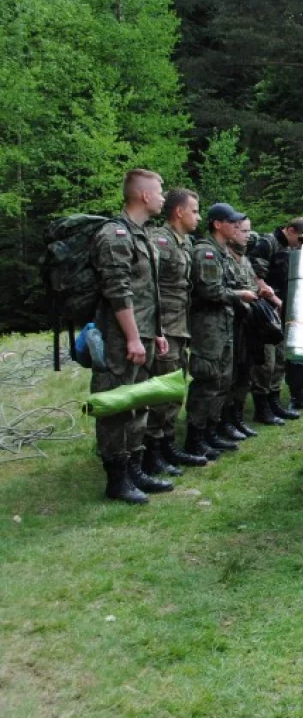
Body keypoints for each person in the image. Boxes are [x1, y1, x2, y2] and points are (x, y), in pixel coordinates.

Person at [90, 169, 170, 504]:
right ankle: (117, 478)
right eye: (160, 191)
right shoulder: (115, 235)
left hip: (145, 334)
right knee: (116, 405)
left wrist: (158, 332)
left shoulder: (143, 234)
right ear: (144, 196)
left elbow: (149, 291)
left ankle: (135, 467)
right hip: (121, 339)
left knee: (138, 401)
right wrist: (134, 338)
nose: (164, 197)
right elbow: (117, 291)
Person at [184, 203, 259, 460]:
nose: (238, 227)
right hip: (208, 327)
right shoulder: (206, 252)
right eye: (233, 222)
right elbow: (210, 290)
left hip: (224, 324)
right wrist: (240, 294)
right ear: (218, 224)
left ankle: (211, 432)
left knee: (223, 380)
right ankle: (195, 437)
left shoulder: (223, 252)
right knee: (208, 379)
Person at [144, 188, 208, 476]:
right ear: (179, 212)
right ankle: (152, 451)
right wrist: (155, 329)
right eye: (194, 211)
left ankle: (167, 445)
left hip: (179, 326)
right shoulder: (160, 241)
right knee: (162, 392)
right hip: (164, 326)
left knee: (174, 389)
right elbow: (148, 289)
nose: (198, 216)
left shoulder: (183, 243)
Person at [223, 217, 280, 442]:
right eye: (242, 231)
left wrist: (263, 292)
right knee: (232, 375)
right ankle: (225, 421)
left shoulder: (244, 259)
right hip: (232, 324)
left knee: (246, 373)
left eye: (248, 231)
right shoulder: (224, 257)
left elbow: (252, 284)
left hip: (249, 324)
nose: (247, 235)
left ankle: (237, 418)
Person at [248, 216, 303, 422]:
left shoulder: (290, 248)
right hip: (267, 310)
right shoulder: (267, 244)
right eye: (299, 238)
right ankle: (262, 407)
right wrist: (276, 300)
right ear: (290, 230)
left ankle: (274, 401)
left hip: (283, 309)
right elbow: (255, 276)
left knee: (281, 358)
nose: (300, 243)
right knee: (267, 361)